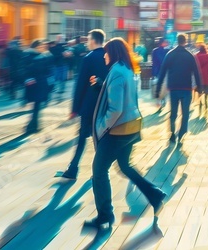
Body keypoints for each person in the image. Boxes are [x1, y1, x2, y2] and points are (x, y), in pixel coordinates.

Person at [84, 37, 166, 230]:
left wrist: (102, 127)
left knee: (98, 171)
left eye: (106, 52)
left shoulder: (118, 73)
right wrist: (101, 85)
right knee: (124, 166)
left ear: (112, 53)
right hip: (130, 126)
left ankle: (104, 216)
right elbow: (118, 94)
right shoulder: (124, 69)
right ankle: (155, 195)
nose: (104, 55)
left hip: (118, 130)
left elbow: (116, 108)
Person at [55, 30, 108, 180]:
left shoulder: (88, 58)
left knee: (82, 138)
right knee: (101, 137)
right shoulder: (108, 56)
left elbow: (80, 85)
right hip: (104, 105)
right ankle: (100, 170)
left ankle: (73, 169)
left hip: (89, 105)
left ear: (93, 41)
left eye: (88, 40)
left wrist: (74, 109)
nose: (87, 43)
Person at [155, 34, 202, 144]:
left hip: (173, 88)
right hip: (186, 88)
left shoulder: (170, 54)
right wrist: (199, 88)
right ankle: (181, 134)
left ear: (177, 41)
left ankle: (172, 133)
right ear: (185, 41)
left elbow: (162, 73)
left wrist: (158, 90)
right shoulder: (190, 56)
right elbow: (197, 73)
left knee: (173, 113)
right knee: (185, 113)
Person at [22, 39, 53, 134]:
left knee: (36, 107)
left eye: (43, 46)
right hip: (34, 85)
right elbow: (23, 70)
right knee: (36, 106)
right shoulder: (29, 56)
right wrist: (27, 78)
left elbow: (47, 70)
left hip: (40, 84)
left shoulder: (43, 56)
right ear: (35, 47)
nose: (43, 48)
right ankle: (32, 126)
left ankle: (32, 126)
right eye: (41, 46)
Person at [195, 43, 208, 113]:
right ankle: (206, 101)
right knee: (207, 90)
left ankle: (200, 103)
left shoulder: (196, 56)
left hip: (199, 78)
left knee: (199, 91)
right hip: (207, 77)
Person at [151, 38, 171, 107]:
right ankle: (162, 99)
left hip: (158, 71)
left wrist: (153, 73)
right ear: (162, 43)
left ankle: (159, 99)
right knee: (164, 85)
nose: (166, 43)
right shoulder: (166, 51)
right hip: (163, 71)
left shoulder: (155, 51)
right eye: (165, 42)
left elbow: (154, 62)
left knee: (159, 85)